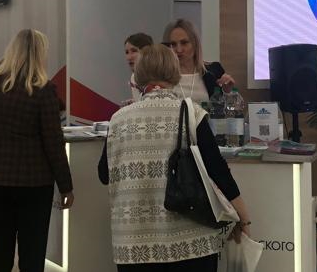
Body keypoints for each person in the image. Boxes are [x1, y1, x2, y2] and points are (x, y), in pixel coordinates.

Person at [99, 44, 251, 271]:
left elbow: (104, 174)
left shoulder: (117, 119)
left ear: (138, 77)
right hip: (190, 244)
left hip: (133, 246)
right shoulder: (191, 113)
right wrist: (243, 218)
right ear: (174, 73)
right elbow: (217, 170)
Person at [0, 29, 74, 272]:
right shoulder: (43, 90)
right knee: (32, 252)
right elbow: (53, 143)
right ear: (39, 54)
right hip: (34, 184)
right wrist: (66, 186)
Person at [161, 19, 235, 103]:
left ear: (195, 44)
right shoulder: (162, 75)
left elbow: (228, 106)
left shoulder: (213, 71)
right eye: (173, 44)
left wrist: (227, 92)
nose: (179, 50)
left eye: (184, 43)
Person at [123, 32, 153, 102]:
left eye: (134, 51)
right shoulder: (134, 77)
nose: (129, 57)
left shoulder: (161, 76)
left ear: (147, 53)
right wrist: (134, 104)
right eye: (127, 52)